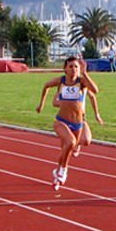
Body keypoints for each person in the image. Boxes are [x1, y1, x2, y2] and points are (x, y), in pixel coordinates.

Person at [36, 56, 99, 190]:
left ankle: (59, 169)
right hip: (61, 121)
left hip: (78, 123)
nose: (73, 69)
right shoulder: (61, 81)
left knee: (68, 150)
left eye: (76, 66)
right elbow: (46, 85)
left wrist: (85, 73)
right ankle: (63, 171)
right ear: (65, 69)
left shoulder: (82, 82)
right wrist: (41, 104)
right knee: (70, 143)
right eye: (70, 66)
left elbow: (95, 91)